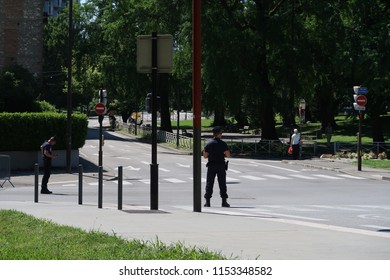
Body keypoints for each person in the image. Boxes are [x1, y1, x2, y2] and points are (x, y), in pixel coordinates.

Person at [203, 126, 231, 207]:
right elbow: (228, 155)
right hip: (221, 165)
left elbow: (205, 156)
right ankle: (224, 201)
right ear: (219, 134)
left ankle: (207, 202)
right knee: (222, 183)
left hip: (211, 165)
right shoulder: (223, 144)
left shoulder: (209, 144)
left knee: (209, 183)